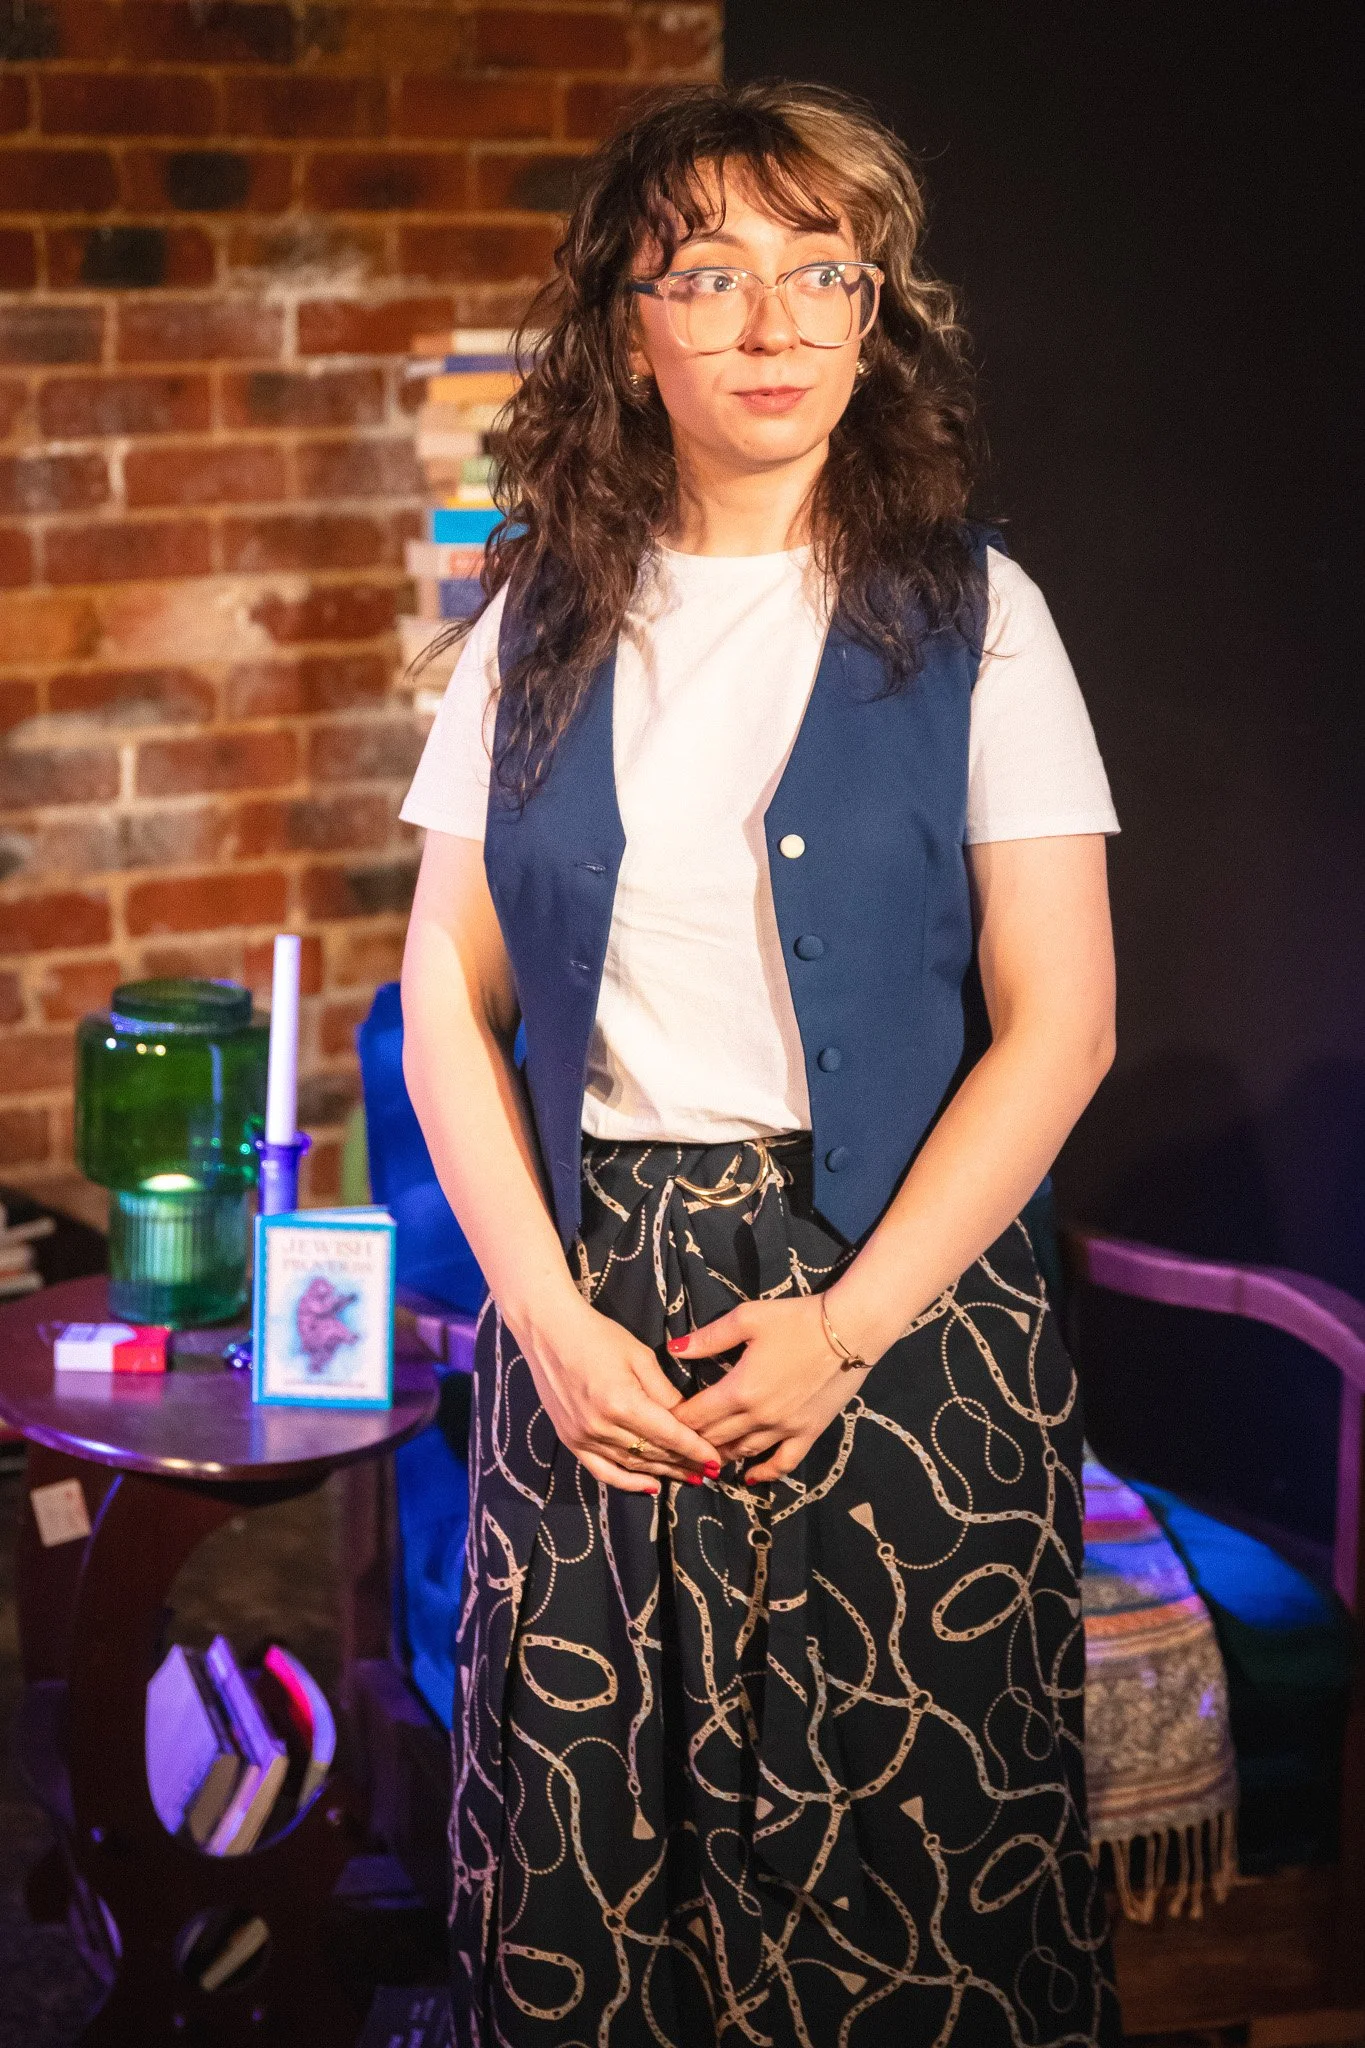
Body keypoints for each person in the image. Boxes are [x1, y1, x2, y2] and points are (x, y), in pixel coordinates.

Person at [400, 79, 1122, 2048]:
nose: (774, 323)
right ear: (625, 321)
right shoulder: (527, 627)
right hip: (596, 1311)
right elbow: (443, 998)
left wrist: (851, 1322)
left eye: (823, 272)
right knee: (588, 1868)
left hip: (905, 1315)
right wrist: (538, 1321)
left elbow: (1062, 1021)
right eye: (709, 275)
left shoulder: (978, 619)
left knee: (906, 1881)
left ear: (874, 313)